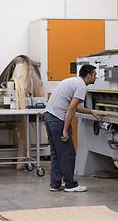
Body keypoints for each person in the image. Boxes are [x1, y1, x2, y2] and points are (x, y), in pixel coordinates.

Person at [44, 64, 102, 192]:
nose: (96, 77)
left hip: (49, 117)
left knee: (56, 153)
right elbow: (71, 109)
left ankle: (55, 184)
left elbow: (74, 106)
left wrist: (90, 111)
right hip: (58, 120)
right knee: (67, 153)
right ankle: (71, 185)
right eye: (94, 74)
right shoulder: (81, 87)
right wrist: (65, 129)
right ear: (88, 75)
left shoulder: (72, 81)